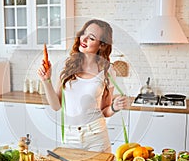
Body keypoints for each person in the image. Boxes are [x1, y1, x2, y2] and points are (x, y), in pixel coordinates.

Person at [37, 19, 128, 153]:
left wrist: (114, 107)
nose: (84, 39)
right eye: (84, 34)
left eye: (91, 38)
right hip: (70, 137)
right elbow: (56, 106)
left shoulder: (108, 71)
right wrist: (46, 81)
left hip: (97, 137)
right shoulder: (67, 66)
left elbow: (104, 110)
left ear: (101, 45)